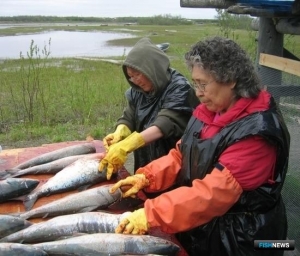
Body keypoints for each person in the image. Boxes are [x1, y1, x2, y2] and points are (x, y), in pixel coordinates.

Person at [109, 36, 290, 256]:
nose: (197, 92)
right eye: (195, 83)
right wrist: (147, 176)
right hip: (206, 229)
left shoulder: (257, 133)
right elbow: (181, 154)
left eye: (203, 84)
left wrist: (151, 214)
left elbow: (212, 195)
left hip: (244, 240)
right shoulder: (211, 111)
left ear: (231, 79)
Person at [99, 37, 199, 180]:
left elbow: (165, 124)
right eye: (131, 77)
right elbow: (129, 115)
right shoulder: (138, 90)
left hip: (173, 163)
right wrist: (121, 130)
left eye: (138, 74)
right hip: (146, 159)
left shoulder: (179, 88)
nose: (135, 81)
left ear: (152, 69)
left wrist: (127, 145)